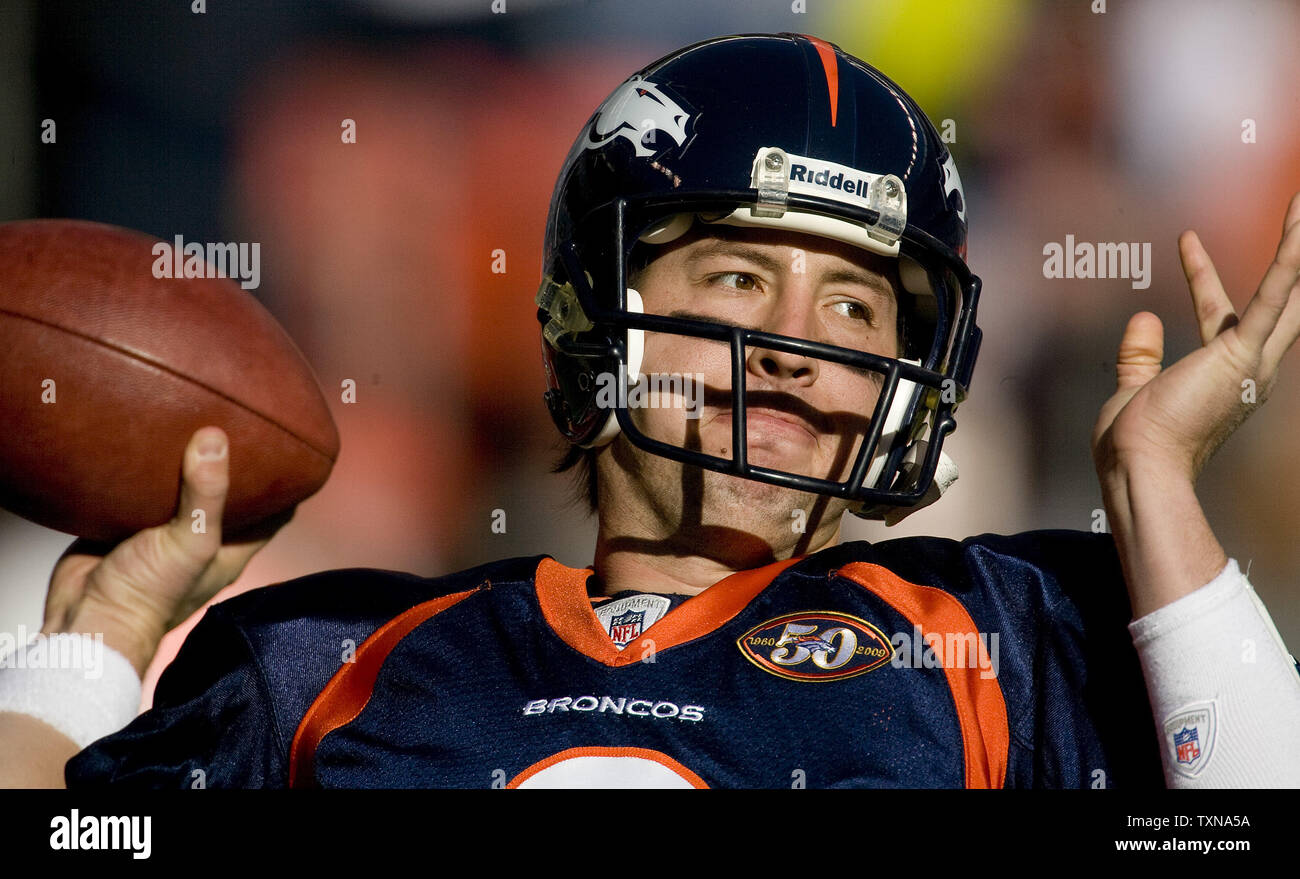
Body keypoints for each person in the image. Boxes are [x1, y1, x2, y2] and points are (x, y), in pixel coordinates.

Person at [2, 33, 1298, 788]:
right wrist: (96, 647)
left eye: (856, 311)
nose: (798, 346)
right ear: (593, 311)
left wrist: (1156, 500)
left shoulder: (996, 640)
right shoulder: (326, 663)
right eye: (739, 277)